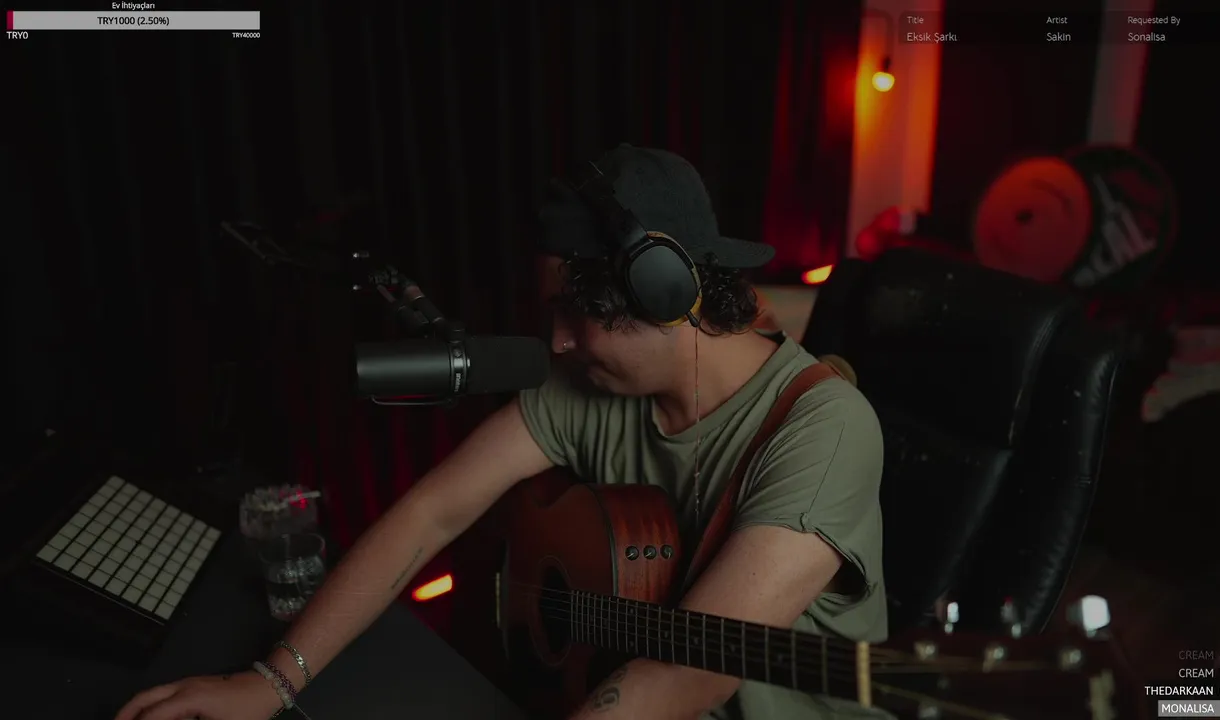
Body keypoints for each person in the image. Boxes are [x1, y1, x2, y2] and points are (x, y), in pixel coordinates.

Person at [116, 144, 888, 720]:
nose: (557, 342)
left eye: (575, 314)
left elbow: (688, 673)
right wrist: (270, 682)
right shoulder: (592, 385)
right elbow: (431, 513)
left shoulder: (824, 430)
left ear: (666, 295)